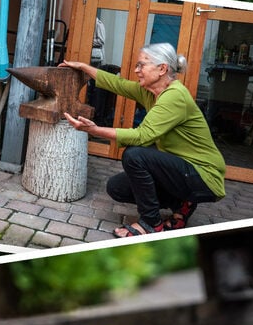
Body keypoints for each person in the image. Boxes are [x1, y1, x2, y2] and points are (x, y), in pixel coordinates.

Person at [61, 43, 226, 237]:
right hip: (184, 170)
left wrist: (94, 130)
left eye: (142, 65)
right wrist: (83, 67)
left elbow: (141, 136)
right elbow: (117, 84)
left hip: (204, 176)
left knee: (134, 155)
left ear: (162, 69)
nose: (136, 70)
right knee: (117, 187)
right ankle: (181, 203)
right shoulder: (150, 92)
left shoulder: (175, 96)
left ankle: (150, 223)